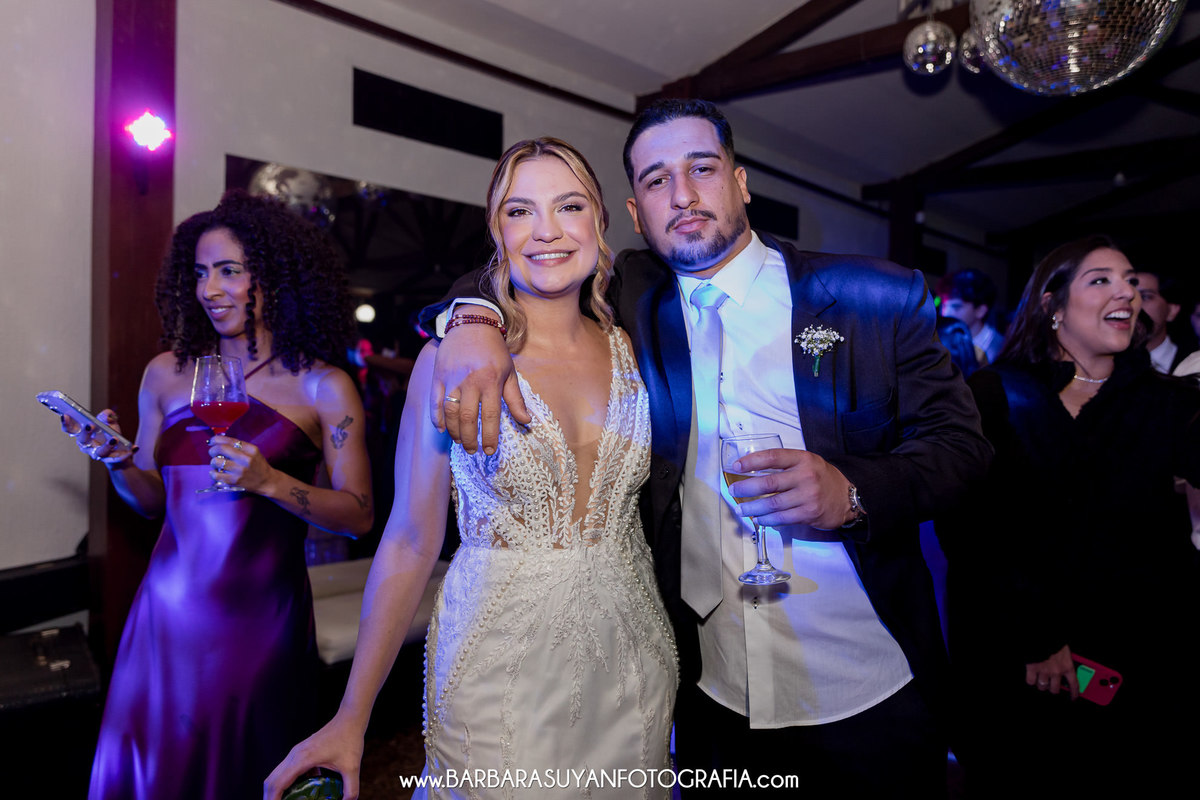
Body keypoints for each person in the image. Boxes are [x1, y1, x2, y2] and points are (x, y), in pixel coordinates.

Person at [423, 99, 990, 796]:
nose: (682, 195)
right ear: (635, 213)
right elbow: (525, 257)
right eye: (657, 180)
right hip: (711, 692)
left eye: (702, 168)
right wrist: (471, 318)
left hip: (867, 686)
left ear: (740, 182)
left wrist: (850, 491)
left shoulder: (871, 296)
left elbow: (963, 450)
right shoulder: (633, 297)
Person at [265, 138, 677, 800]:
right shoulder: (446, 361)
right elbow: (409, 539)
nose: (546, 231)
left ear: (601, 221)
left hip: (634, 659)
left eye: (569, 206)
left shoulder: (637, 347)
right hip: (499, 667)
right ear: (497, 231)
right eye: (520, 211)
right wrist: (352, 714)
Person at [66, 189, 374, 800]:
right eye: (200, 272)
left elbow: (359, 516)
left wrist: (271, 482)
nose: (210, 288)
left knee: (243, 771)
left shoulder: (322, 386)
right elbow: (151, 502)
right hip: (165, 617)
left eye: (229, 270)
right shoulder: (165, 373)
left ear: (273, 276)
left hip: (261, 625)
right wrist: (118, 461)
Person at [937, 236, 1200, 798]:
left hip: (1136, 656)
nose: (1126, 291)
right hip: (1014, 649)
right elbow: (970, 529)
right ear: (1052, 304)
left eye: (1131, 281)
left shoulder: (1166, 401)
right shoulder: (997, 394)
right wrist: (1035, 637)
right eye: (1101, 279)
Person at [936, 268, 1005, 365]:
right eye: (943, 306)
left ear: (980, 310)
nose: (945, 313)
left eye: (956, 307)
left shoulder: (1000, 350)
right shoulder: (939, 340)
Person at [1134, 268, 1190, 373]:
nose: (1134, 305)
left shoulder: (1193, 366)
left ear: (1171, 311)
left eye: (1145, 297)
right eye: (1129, 298)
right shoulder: (1107, 364)